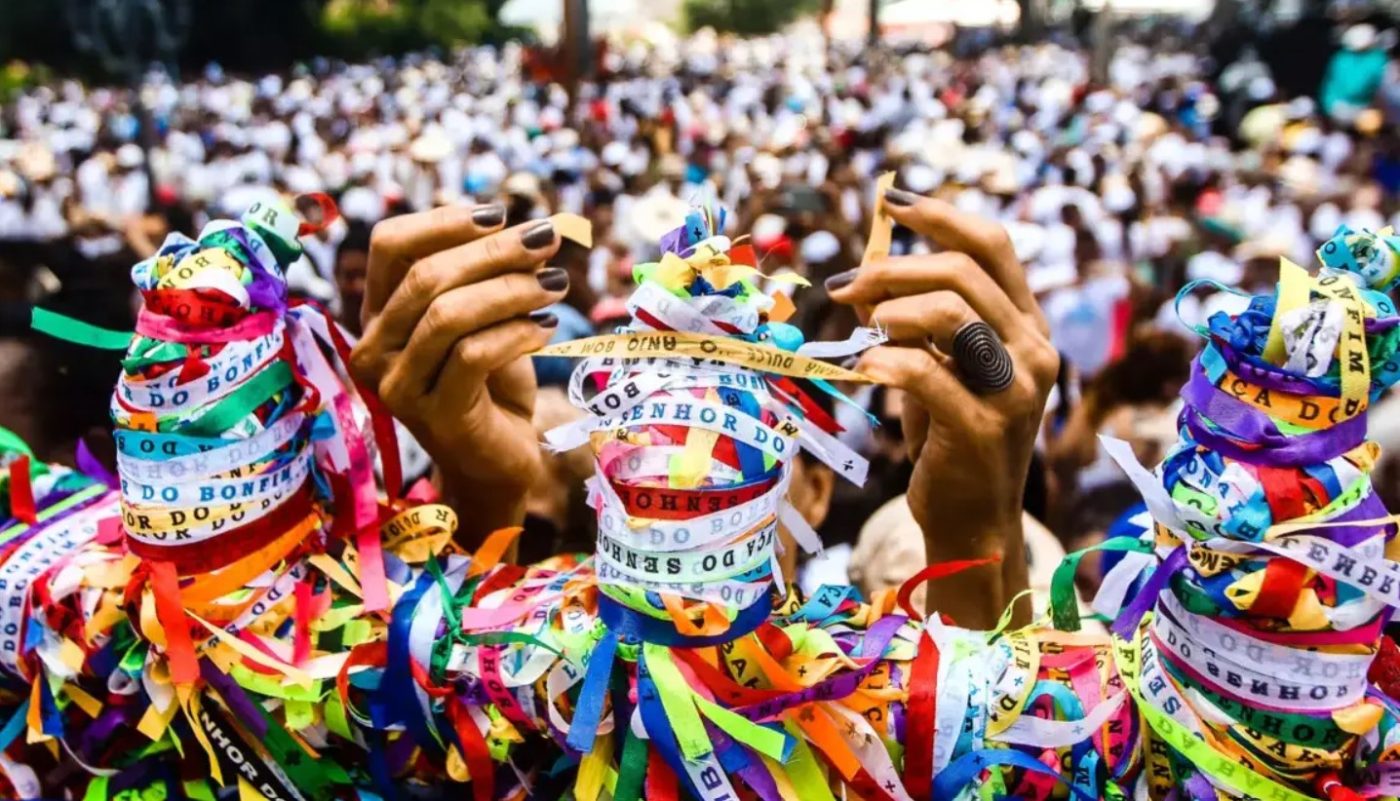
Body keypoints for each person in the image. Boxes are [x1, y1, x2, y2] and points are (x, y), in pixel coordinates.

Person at [349, 186, 1061, 628]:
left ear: (815, 489)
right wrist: (480, 492)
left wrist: (976, 529)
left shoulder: (870, 689)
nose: (685, 462)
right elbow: (464, 734)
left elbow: (971, 759)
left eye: (737, 422)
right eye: (649, 411)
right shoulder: (558, 680)